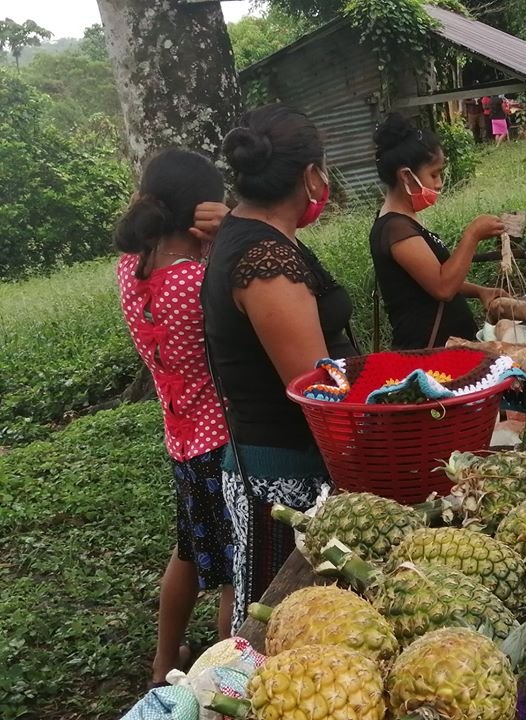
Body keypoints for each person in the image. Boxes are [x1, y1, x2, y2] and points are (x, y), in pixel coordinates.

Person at [201, 104, 358, 633]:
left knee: (260, 603)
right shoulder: (264, 263)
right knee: (278, 623)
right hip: (283, 475)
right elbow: (318, 388)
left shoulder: (252, 233)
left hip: (276, 458)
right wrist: (382, 396)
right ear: (311, 175)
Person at [114, 148, 234, 686]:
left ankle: (166, 660)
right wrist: (228, 241)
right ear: (202, 213)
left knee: (187, 550)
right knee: (238, 569)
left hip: (181, 437)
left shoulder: (129, 270)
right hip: (223, 438)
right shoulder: (198, 281)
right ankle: (227, 674)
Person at [370, 113, 506, 350]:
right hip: (428, 354)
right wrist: (472, 234)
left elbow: (431, 276)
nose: (439, 183)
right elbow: (443, 286)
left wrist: (479, 291)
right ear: (406, 176)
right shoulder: (396, 229)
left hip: (445, 348)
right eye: (433, 174)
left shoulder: (405, 221)